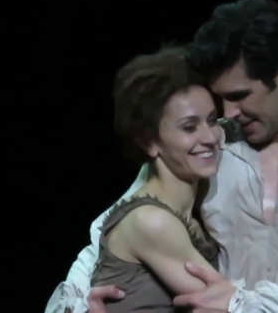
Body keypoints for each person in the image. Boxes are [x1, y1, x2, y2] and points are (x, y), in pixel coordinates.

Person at [46, 0, 278, 313]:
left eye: (239, 96)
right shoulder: (211, 144)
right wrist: (76, 304)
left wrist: (243, 305)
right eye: (219, 98)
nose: (228, 112)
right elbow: (111, 229)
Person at [66, 46, 225, 312]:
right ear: (149, 142)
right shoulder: (151, 221)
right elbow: (229, 305)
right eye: (189, 127)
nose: (209, 137)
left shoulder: (188, 214)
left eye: (212, 120)